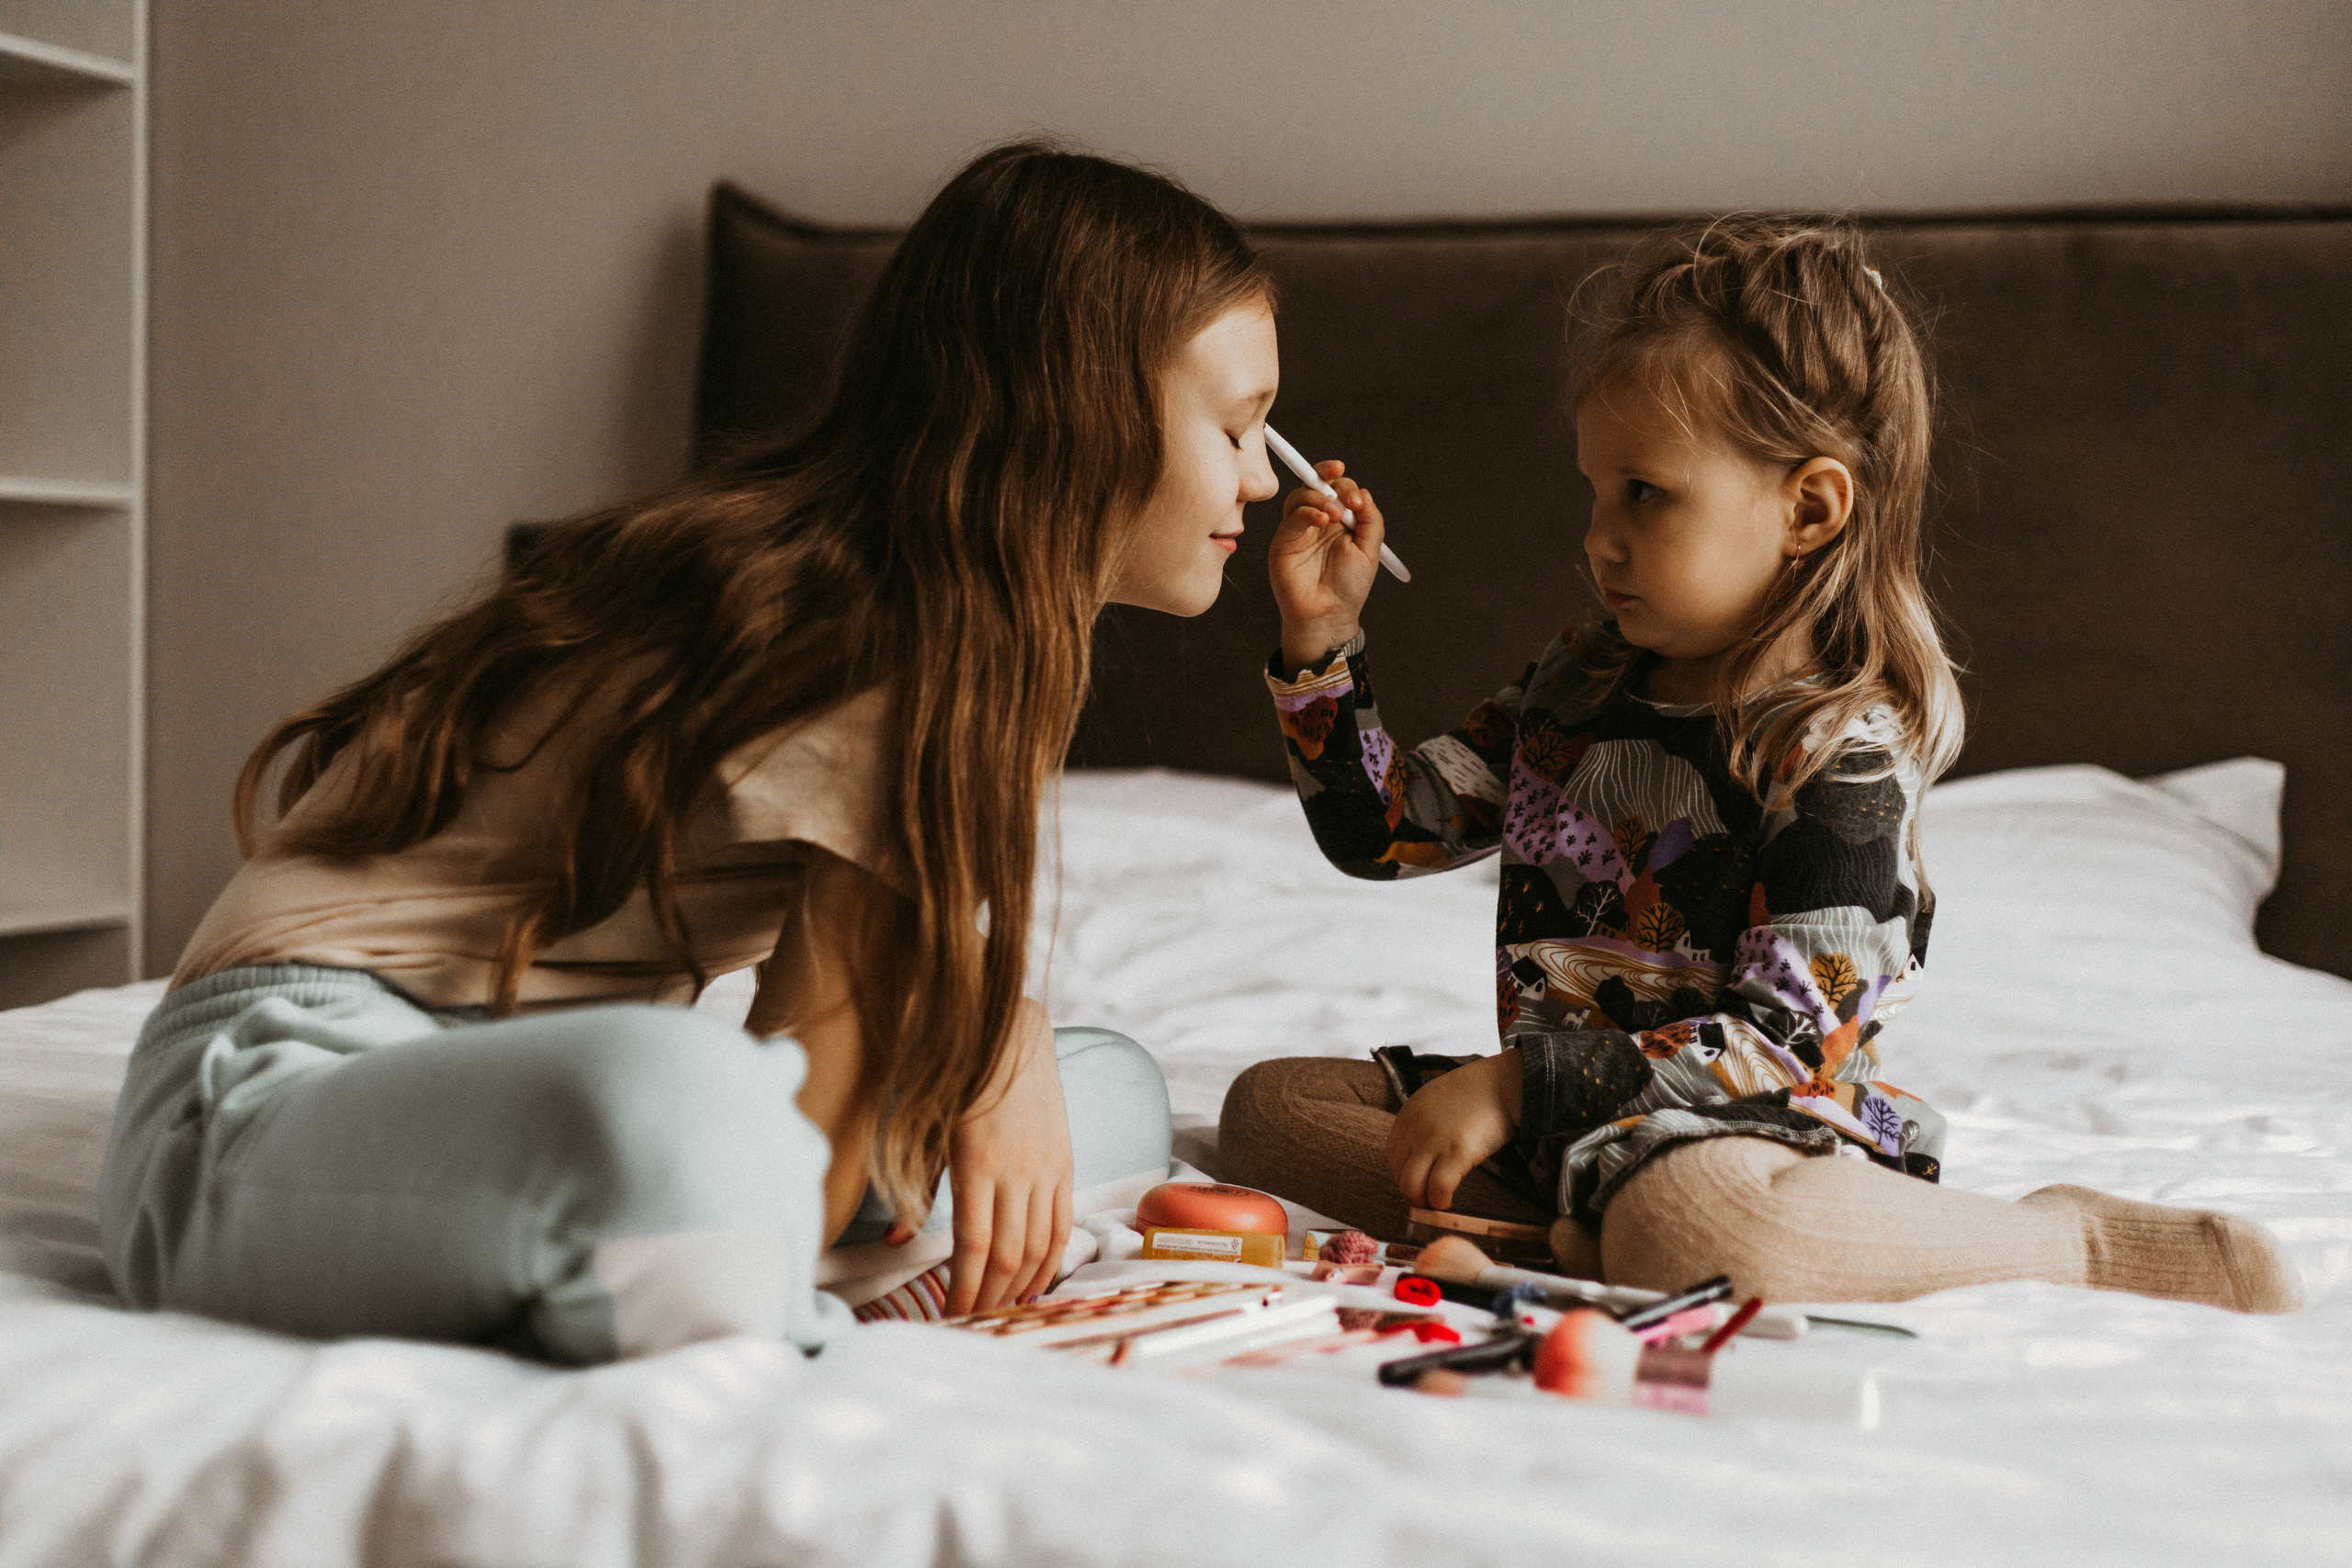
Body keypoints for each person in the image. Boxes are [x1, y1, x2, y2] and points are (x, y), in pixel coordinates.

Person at [97, 140, 1286, 1361]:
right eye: (1241, 426)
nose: (1260, 478)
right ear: (1083, 413)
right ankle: (748, 1268)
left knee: (1113, 1088)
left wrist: (1002, 1028)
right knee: (707, 1105)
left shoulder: (956, 623)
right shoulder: (875, 632)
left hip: (508, 1094)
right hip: (269, 1101)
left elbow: (823, 1044)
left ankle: (649, 1251)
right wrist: (971, 1037)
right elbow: (804, 1113)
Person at [1218, 216, 2301, 1314]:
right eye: (1594, 491)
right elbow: (1389, 831)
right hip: (1566, 1123)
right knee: (1268, 1108)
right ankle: (1556, 1226)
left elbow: (1781, 1047)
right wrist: (1319, 648)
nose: (1598, 537)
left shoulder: (1839, 757)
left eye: (1644, 493)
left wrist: (1517, 1085)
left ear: (1808, 509)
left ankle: (2069, 1244)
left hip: (1748, 1129)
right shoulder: (1577, 687)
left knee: (1691, 1221)